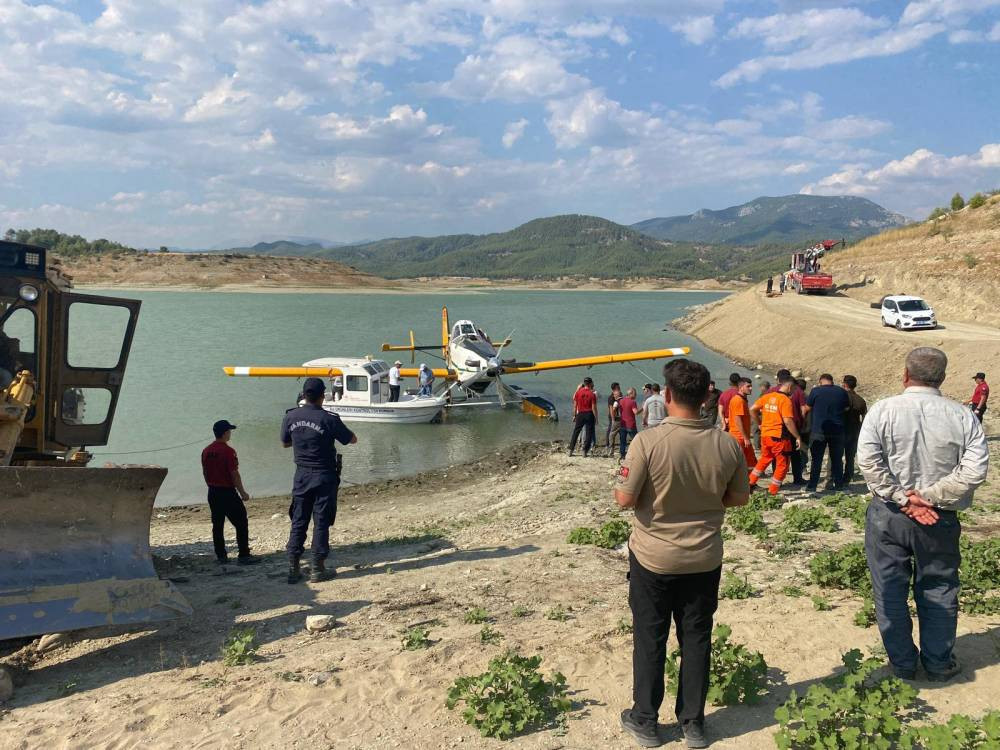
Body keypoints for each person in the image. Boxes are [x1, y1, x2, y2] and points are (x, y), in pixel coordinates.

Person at [615, 358, 750, 750]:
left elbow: (624, 499)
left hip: (653, 557)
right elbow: (739, 497)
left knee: (650, 636)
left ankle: (645, 720)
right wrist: (706, 500)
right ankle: (693, 724)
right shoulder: (726, 444)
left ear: (668, 394)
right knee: (696, 638)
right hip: (704, 557)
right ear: (708, 395)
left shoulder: (648, 442)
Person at [857, 347, 989, 682]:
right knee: (940, 587)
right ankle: (938, 663)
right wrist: (928, 498)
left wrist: (905, 499)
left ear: (905, 374)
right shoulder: (963, 416)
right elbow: (974, 472)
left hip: (889, 514)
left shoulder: (882, 410)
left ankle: (903, 664)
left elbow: (869, 463)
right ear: (942, 378)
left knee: (889, 590)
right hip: (939, 518)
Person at [281, 377, 357, 584]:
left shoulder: (290, 416)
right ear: (323, 396)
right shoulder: (329, 419)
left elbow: (285, 443)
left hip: (302, 475)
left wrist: (303, 437)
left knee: (299, 520)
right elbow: (351, 439)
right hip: (324, 475)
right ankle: (317, 568)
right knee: (321, 521)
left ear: (304, 395)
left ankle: (293, 568)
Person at [200, 420, 258, 566]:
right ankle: (244, 555)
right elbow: (234, 474)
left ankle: (221, 556)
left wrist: (210, 485)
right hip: (227, 492)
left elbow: (205, 472)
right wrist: (243, 492)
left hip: (213, 491)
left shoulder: (206, 451)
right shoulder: (228, 451)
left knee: (217, 525)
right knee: (241, 522)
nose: (230, 433)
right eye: (229, 431)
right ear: (225, 433)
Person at [750, 372, 804, 496]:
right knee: (782, 465)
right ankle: (772, 492)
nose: (794, 392)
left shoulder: (768, 396)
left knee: (764, 459)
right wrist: (797, 437)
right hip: (779, 437)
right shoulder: (785, 400)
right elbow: (788, 421)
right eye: (794, 389)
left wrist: (760, 423)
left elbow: (752, 409)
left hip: (765, 435)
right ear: (789, 387)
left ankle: (750, 483)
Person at [802, 374, 850, 493]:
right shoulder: (841, 391)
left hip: (819, 430)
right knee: (837, 459)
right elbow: (847, 408)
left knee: (816, 460)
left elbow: (807, 408)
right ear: (832, 381)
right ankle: (839, 485)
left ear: (820, 381)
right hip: (838, 430)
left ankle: (812, 486)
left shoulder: (815, 391)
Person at [842, 375, 867, 483]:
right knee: (850, 455)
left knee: (836, 455)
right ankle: (848, 476)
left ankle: (835, 476)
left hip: (840, 429)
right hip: (854, 430)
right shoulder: (860, 400)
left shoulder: (840, 397)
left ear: (844, 384)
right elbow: (865, 418)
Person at [728, 378, 756, 468]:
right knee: (738, 463)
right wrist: (746, 438)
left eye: (751, 386)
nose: (751, 388)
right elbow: (737, 420)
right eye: (748, 386)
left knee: (751, 462)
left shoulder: (742, 399)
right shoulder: (738, 400)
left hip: (743, 437)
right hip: (739, 437)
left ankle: (750, 477)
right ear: (741, 387)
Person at [569, 377, 598, 457]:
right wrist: (596, 418)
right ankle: (584, 451)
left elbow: (575, 406)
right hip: (589, 414)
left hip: (580, 413)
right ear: (590, 384)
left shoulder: (578, 393)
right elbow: (594, 408)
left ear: (584, 383)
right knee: (589, 433)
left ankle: (571, 450)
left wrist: (574, 415)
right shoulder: (592, 394)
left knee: (576, 432)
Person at [618, 387, 639, 459]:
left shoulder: (621, 401)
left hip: (622, 424)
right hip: (631, 424)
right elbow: (636, 412)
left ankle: (622, 455)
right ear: (631, 394)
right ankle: (636, 454)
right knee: (636, 440)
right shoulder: (632, 402)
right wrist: (643, 408)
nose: (636, 395)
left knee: (622, 441)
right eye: (635, 394)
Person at [606, 382, 623, 454]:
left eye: (619, 387)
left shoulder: (619, 396)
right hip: (614, 417)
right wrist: (613, 419)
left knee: (618, 433)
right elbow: (611, 409)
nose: (619, 388)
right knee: (611, 432)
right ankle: (608, 446)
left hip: (619, 418)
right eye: (618, 388)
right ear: (614, 389)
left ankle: (615, 447)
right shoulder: (611, 397)